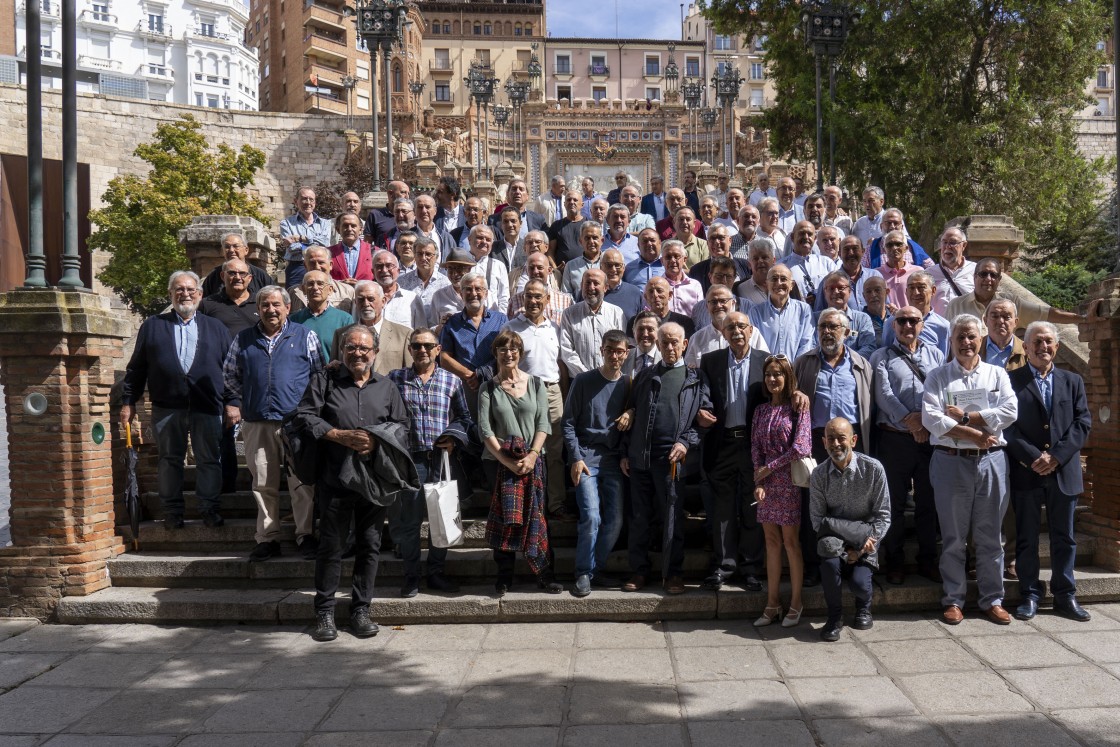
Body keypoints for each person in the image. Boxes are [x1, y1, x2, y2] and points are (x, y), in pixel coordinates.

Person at [293, 324, 415, 642]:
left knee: (370, 546)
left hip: (373, 481)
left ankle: (361, 610)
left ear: (374, 352)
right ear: (342, 351)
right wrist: (339, 435)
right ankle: (324, 613)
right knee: (331, 547)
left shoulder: (386, 387)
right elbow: (305, 416)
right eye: (351, 347)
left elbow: (402, 425)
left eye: (364, 348)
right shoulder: (326, 379)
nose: (357, 353)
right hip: (334, 478)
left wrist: (376, 441)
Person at [922, 313, 1017, 626]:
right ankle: (953, 600)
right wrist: (976, 432)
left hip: (991, 463)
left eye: (971, 337)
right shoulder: (938, 377)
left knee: (991, 536)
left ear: (982, 340)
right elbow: (933, 421)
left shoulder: (996, 374)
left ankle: (993, 599)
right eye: (960, 337)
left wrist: (967, 418)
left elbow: (1010, 411)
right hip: (950, 462)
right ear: (951, 341)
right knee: (953, 537)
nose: (966, 343)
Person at [121, 271, 232, 529]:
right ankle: (172, 512)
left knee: (208, 459)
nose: (185, 294)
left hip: (207, 405)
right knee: (169, 460)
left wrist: (233, 402)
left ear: (200, 295)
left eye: (191, 289)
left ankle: (209, 509)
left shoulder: (216, 328)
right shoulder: (153, 326)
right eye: (179, 289)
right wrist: (129, 401)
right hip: (167, 406)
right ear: (170, 294)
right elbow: (137, 368)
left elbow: (231, 369)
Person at [223, 285, 323, 561]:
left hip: (296, 423)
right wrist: (242, 401)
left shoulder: (305, 336)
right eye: (265, 305)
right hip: (257, 421)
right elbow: (230, 375)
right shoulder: (243, 339)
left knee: (302, 483)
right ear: (258, 308)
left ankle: (305, 536)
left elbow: (318, 377)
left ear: (288, 308)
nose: (271, 310)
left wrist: (308, 412)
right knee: (263, 483)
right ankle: (267, 538)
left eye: (276, 305)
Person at [1005, 322, 1092, 622]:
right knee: (1027, 536)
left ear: (1057, 346)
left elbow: (1082, 423)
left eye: (1049, 342)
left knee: (1064, 537)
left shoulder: (1072, 381)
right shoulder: (1011, 380)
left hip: (1063, 471)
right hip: (1026, 472)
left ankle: (1065, 595)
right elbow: (1007, 426)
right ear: (1025, 347)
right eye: (1037, 342)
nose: (1043, 347)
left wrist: (1055, 456)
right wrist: (1034, 457)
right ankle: (1030, 593)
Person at [695, 313, 778, 592]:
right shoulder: (711, 361)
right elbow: (702, 394)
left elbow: (778, 392)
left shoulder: (766, 360)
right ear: (723, 331)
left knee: (752, 506)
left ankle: (751, 568)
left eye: (741, 326)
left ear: (751, 330)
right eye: (730, 327)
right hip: (723, 443)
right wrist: (701, 411)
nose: (736, 331)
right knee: (723, 509)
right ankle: (724, 566)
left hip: (754, 446)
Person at [389, 328, 472, 597]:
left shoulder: (451, 380)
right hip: (410, 460)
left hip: (440, 459)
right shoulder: (395, 379)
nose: (422, 350)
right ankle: (411, 576)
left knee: (441, 519)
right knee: (410, 522)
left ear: (438, 349)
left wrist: (453, 438)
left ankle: (436, 573)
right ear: (410, 349)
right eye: (416, 346)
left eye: (428, 345)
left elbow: (464, 418)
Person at [479, 329, 563, 594]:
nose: (508, 354)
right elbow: (485, 430)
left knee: (537, 517)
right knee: (505, 520)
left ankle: (545, 574)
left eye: (513, 349)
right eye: (503, 349)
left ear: (520, 353)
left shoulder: (537, 384)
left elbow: (543, 423)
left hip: (534, 460)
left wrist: (532, 455)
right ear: (495, 354)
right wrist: (507, 462)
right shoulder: (488, 388)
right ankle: (504, 576)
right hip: (500, 462)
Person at [621, 323, 701, 595]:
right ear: (657, 343)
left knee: (672, 518)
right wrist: (624, 453)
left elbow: (702, 422)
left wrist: (685, 442)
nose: (669, 348)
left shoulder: (695, 379)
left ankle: (673, 574)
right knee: (640, 517)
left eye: (674, 343)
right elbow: (629, 413)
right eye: (664, 342)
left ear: (684, 344)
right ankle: (639, 570)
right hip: (641, 457)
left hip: (672, 462)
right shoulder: (645, 375)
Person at [870, 306, 945, 584]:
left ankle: (928, 559)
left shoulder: (936, 355)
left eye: (914, 320)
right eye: (901, 320)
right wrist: (910, 421)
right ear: (894, 325)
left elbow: (940, 392)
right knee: (895, 504)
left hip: (929, 439)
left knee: (928, 502)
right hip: (894, 439)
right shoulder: (881, 356)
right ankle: (895, 561)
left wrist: (925, 423)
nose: (908, 325)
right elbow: (883, 394)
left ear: (922, 325)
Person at [563, 330, 633, 596]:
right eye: (610, 350)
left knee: (615, 520)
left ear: (626, 354)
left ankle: (596, 568)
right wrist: (576, 458)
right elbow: (568, 423)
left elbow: (632, 423)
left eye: (620, 351)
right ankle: (583, 572)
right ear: (601, 351)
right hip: (586, 458)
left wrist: (632, 410)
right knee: (591, 515)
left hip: (614, 460)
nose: (615, 356)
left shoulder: (628, 384)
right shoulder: (583, 381)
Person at [810, 417, 891, 641]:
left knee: (860, 585)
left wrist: (866, 543)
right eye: (831, 439)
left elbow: (884, 516)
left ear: (853, 440)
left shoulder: (873, 469)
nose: (836, 444)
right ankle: (834, 617)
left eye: (841, 438)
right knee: (828, 561)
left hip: (866, 542)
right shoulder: (818, 475)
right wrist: (849, 547)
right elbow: (818, 521)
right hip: (834, 542)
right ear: (823, 442)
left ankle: (864, 606)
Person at [752, 354, 813, 627]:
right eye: (768, 374)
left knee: (791, 542)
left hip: (788, 482)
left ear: (788, 378)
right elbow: (755, 447)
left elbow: (801, 447)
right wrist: (759, 479)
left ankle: (796, 602)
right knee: (771, 543)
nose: (773, 379)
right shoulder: (761, 410)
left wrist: (770, 468)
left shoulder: (797, 407)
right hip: (767, 484)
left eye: (778, 374)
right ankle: (773, 602)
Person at [505, 279, 568, 518]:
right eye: (528, 296)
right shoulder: (511, 328)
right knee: (524, 449)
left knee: (554, 451)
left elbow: (561, 366)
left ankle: (556, 503)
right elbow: (503, 366)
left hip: (551, 392)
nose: (533, 301)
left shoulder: (556, 328)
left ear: (547, 300)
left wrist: (562, 393)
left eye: (538, 297)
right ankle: (529, 504)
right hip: (522, 393)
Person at [336, 281, 413, 375]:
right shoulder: (341, 334)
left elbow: (410, 373)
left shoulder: (404, 334)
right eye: (361, 299)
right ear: (355, 303)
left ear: (383, 301)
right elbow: (335, 370)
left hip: (390, 388)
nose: (366, 303)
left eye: (371, 299)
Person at [560, 269, 626, 377]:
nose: (591, 287)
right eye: (587, 283)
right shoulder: (569, 314)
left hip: (609, 378)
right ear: (581, 285)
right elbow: (567, 351)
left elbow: (620, 348)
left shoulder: (617, 313)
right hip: (579, 380)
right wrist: (587, 376)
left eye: (596, 283)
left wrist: (606, 372)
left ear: (605, 287)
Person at [748, 264, 815, 360]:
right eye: (774, 279)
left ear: (792, 285)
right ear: (767, 284)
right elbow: (754, 345)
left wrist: (794, 369)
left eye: (783, 279)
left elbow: (807, 344)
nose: (779, 283)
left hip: (796, 371)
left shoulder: (804, 310)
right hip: (766, 371)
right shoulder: (755, 312)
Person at [290, 271, 352, 361]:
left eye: (320, 283)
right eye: (310, 284)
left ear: (330, 289)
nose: (315, 288)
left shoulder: (344, 319)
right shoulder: (294, 320)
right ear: (303, 289)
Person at [279, 186, 333, 288]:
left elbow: (325, 243)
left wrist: (300, 238)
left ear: (315, 202)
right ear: (296, 201)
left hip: (319, 266)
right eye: (304, 199)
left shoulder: (325, 223)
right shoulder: (286, 223)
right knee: (295, 298)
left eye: (311, 199)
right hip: (297, 267)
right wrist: (315, 244)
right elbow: (292, 248)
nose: (308, 202)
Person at [199, 259, 260, 336]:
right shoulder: (207, 304)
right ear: (222, 276)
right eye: (232, 273)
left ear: (249, 278)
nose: (237, 277)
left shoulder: (261, 303)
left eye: (242, 273)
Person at [399, 236, 451, 327]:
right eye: (419, 254)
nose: (423, 258)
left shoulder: (446, 284)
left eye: (428, 254)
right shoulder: (402, 282)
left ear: (436, 257)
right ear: (414, 255)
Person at [200, 232, 271, 297]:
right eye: (227, 247)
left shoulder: (260, 276)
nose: (231, 250)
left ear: (246, 250)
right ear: (222, 251)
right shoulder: (214, 277)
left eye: (236, 246)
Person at [290, 246, 355, 314]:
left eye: (321, 262)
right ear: (305, 265)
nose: (317, 267)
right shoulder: (293, 293)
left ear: (331, 265)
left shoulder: (347, 291)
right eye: (312, 263)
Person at [928, 227, 976, 316]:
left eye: (953, 243)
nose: (947, 247)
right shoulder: (928, 274)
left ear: (964, 245)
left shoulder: (976, 271)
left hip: (967, 327)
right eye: (944, 242)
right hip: (939, 328)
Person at [328, 212, 375, 284]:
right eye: (345, 226)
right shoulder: (328, 253)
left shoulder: (374, 251)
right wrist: (340, 283)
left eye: (353, 226)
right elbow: (322, 277)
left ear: (360, 230)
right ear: (338, 229)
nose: (349, 229)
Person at [623, 228, 665, 293]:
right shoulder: (628, 269)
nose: (649, 244)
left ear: (660, 243)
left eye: (652, 240)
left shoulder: (668, 265)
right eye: (645, 241)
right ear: (638, 245)